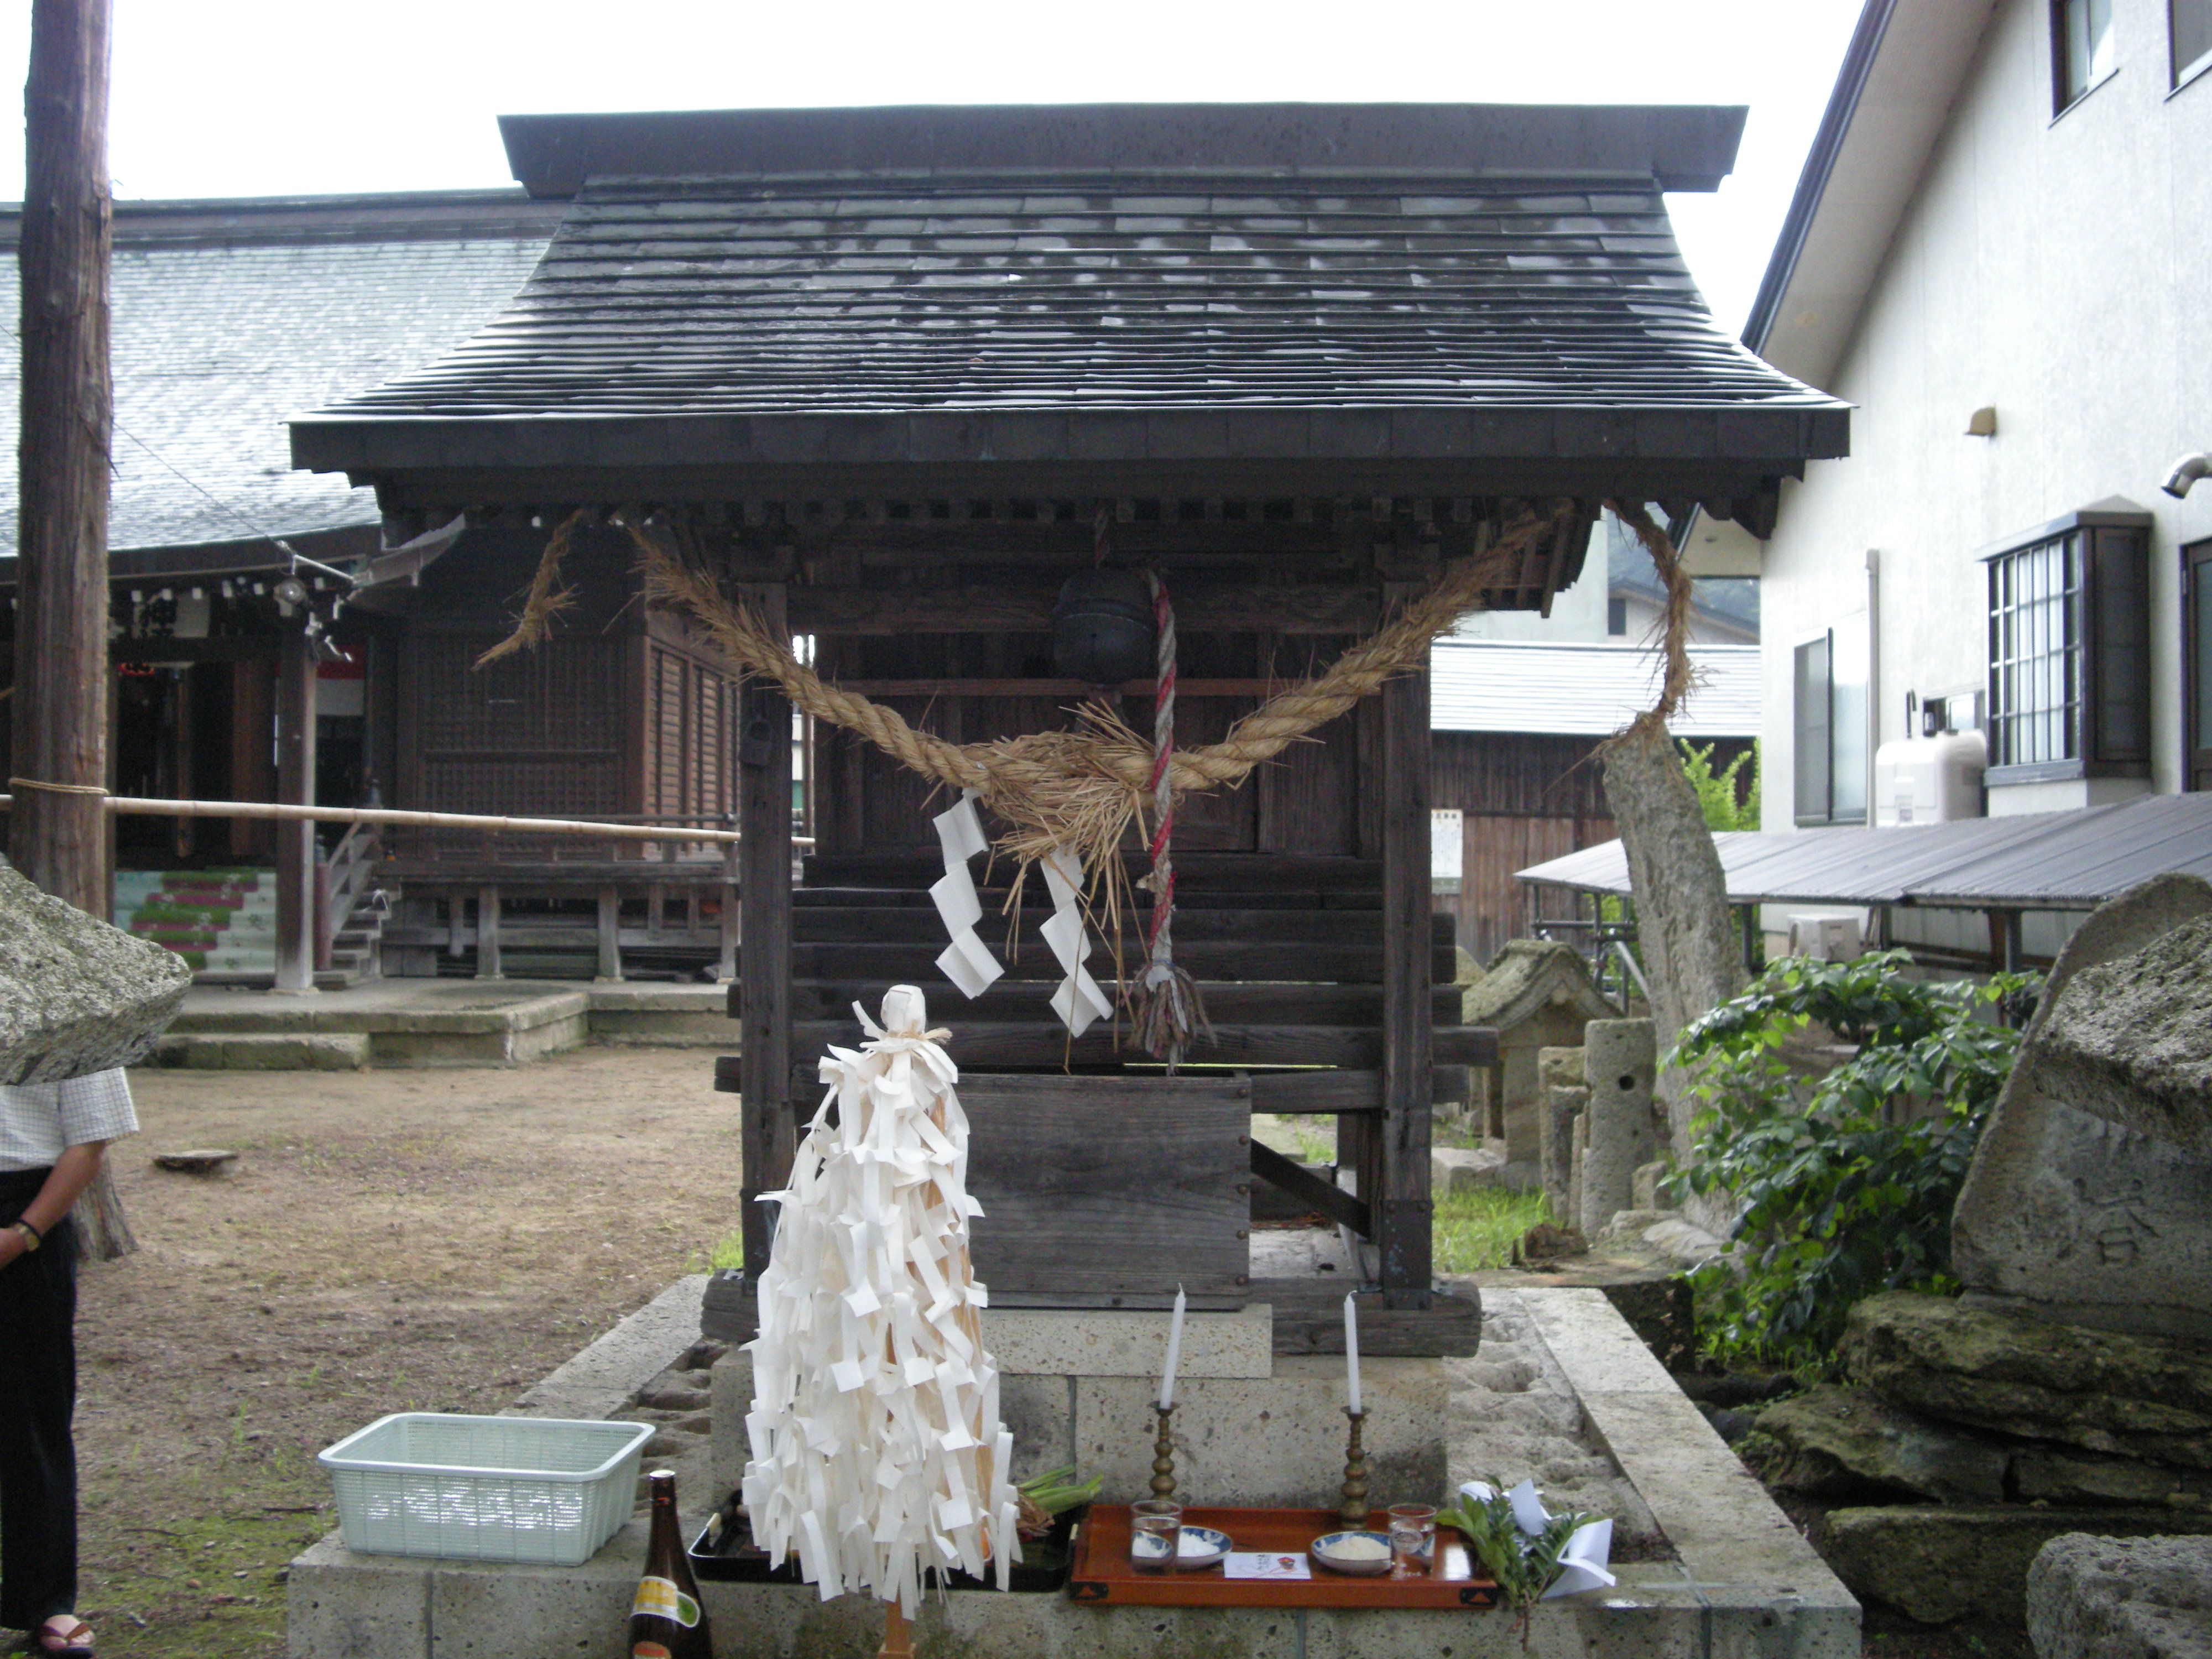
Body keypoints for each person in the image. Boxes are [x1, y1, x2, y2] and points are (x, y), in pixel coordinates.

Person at [1, 1068, 138, 1659]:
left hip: (27, 1210)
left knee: (33, 1417)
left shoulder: (76, 1011)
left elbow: (89, 1142)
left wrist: (23, 1234)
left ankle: (47, 1602)